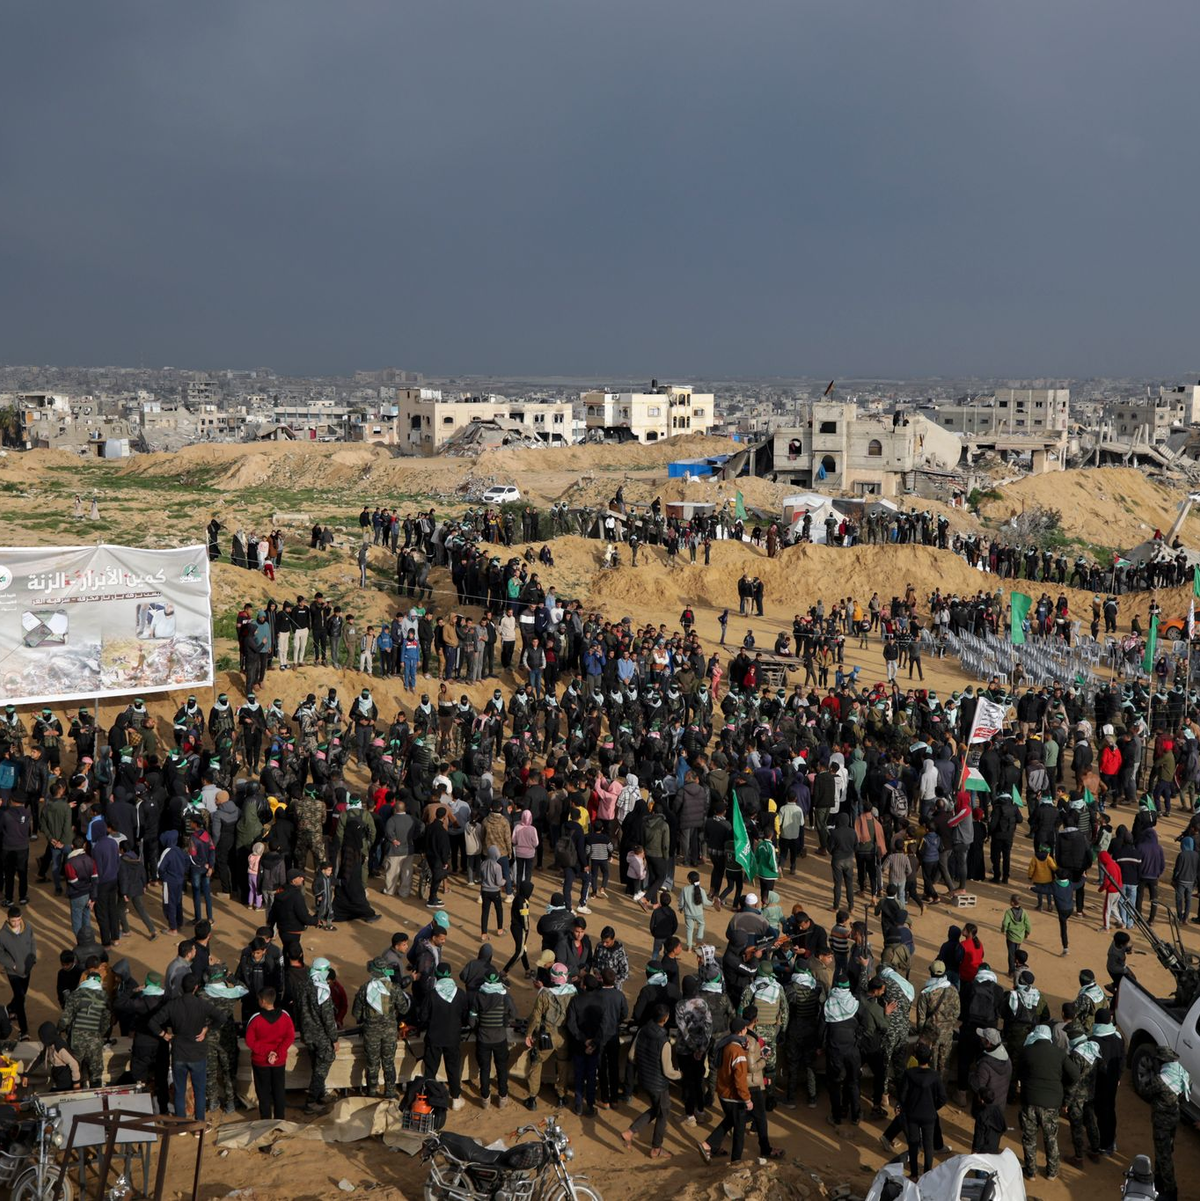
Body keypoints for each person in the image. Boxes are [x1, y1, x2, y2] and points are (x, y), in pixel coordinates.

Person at [149, 972, 227, 1122]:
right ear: (196, 988)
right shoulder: (202, 1004)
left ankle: (181, 1125)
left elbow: (153, 1022)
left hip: (179, 1054)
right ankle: (199, 1124)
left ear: (181, 988)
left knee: (179, 1091)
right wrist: (207, 1029)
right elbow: (221, 1018)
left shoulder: (173, 1005)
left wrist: (164, 1034)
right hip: (198, 1054)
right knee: (199, 1091)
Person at [1017, 1022, 1079, 1181]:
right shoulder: (1059, 1053)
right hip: (1051, 1104)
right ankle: (1052, 1172)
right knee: (1051, 1138)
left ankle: (1031, 1172)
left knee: (1029, 1138)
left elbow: (1018, 1073)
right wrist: (1060, 1082)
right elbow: (1075, 1075)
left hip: (1029, 1100)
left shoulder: (1026, 1052)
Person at [621, 1002, 679, 1159]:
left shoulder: (642, 1031)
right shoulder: (664, 1041)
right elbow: (668, 1071)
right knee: (663, 1111)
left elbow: (632, 1056)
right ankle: (656, 1148)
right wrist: (681, 1075)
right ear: (666, 1019)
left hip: (644, 1079)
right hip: (659, 1084)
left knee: (656, 1108)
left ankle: (630, 1132)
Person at [698, 1015, 753, 1164]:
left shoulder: (726, 1045)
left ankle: (709, 1145)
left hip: (723, 1092)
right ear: (742, 1031)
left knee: (730, 1120)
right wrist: (747, 1099)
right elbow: (740, 1079)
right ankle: (736, 1161)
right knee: (739, 1131)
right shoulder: (737, 1051)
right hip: (734, 1096)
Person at [352, 958, 409, 1100]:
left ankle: (372, 1090)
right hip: (389, 1032)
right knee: (388, 1062)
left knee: (372, 1063)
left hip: (371, 1033)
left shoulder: (365, 988)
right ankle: (389, 1091)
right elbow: (404, 1009)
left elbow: (356, 1013)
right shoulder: (394, 988)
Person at [899, 1041, 948, 1180]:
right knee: (928, 1145)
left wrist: (907, 1107)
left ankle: (914, 1174)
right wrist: (933, 1107)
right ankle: (927, 1174)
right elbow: (943, 1098)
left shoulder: (909, 1074)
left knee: (913, 1143)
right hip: (929, 1115)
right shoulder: (935, 1076)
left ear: (915, 1057)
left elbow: (903, 1096)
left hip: (913, 1114)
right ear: (930, 1059)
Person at [0, 906, 36, 1038]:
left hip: (26, 970)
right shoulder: (3, 935)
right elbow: (0, 953)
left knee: (21, 994)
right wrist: (11, 965)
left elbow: (33, 942)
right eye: (13, 921)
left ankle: (9, 1009)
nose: (16, 923)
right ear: (8, 919)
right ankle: (24, 1031)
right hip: (13, 973)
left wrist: (33, 958)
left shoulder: (28, 927)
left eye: (18, 920)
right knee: (20, 999)